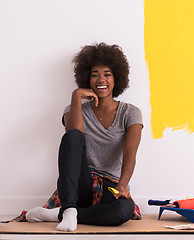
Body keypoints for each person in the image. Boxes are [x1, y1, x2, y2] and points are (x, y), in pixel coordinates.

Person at [25, 43, 143, 231]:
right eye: (95, 74)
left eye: (107, 74)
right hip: (81, 183)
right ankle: (70, 208)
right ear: (87, 78)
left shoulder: (130, 113)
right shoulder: (73, 110)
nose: (100, 79)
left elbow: (130, 152)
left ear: (116, 78)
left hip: (110, 184)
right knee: (72, 136)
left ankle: (59, 214)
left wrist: (122, 185)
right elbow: (73, 135)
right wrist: (76, 96)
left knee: (123, 211)